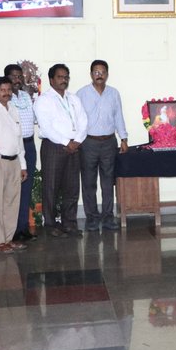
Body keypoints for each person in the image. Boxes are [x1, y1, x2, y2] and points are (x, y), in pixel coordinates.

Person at [34, 64, 88, 237]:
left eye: (66, 77)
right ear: (51, 80)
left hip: (75, 147)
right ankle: (50, 225)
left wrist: (77, 141)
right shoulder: (44, 100)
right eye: (60, 77)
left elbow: (83, 121)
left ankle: (69, 223)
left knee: (72, 188)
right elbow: (46, 127)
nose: (64, 80)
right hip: (54, 147)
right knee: (51, 187)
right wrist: (67, 142)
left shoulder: (74, 98)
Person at [76, 60, 128, 232]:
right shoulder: (81, 94)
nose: (99, 75)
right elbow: (76, 119)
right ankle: (91, 217)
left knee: (107, 182)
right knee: (89, 181)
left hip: (109, 142)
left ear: (107, 74)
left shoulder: (114, 93)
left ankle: (107, 217)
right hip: (88, 143)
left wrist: (124, 138)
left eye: (102, 72)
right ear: (91, 74)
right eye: (96, 72)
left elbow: (118, 116)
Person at [0, 76, 28, 253]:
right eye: (2, 90)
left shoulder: (13, 109)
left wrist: (23, 165)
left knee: (11, 201)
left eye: (8, 90)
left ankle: (8, 239)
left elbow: (20, 140)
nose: (6, 93)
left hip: (14, 161)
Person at [5, 63, 37, 241]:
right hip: (13, 148)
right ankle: (12, 230)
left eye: (19, 77)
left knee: (26, 187)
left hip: (29, 146)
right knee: (12, 190)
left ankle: (23, 227)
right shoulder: (5, 99)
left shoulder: (26, 96)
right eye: (13, 77)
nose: (17, 80)